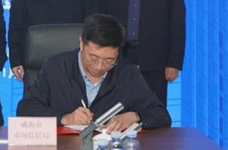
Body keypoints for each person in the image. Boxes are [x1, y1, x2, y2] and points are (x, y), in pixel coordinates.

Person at [17, 14, 171, 131]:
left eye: (109, 60)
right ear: (81, 44)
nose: (99, 66)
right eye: (93, 57)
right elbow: (26, 108)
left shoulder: (127, 73)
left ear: (118, 53)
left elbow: (161, 115)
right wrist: (64, 118)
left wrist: (135, 116)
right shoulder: (56, 66)